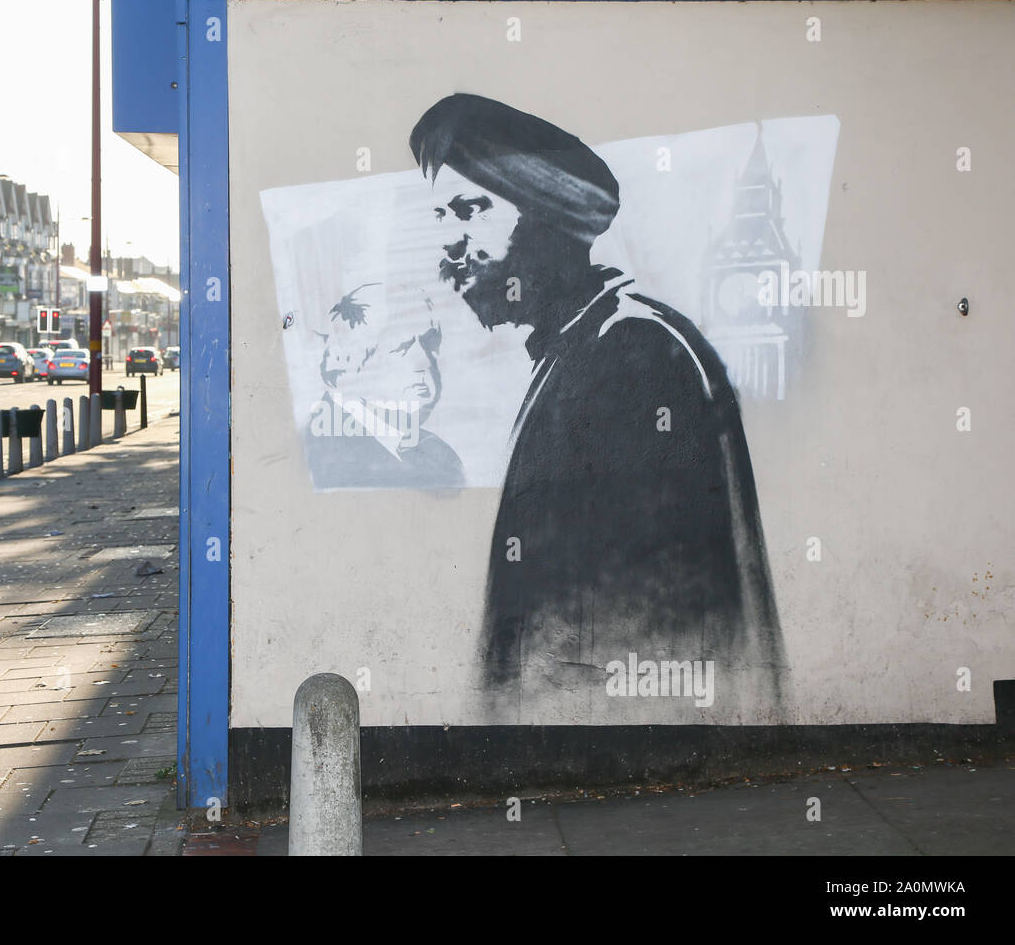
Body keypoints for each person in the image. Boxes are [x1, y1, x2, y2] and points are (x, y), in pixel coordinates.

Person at [410, 94, 786, 719]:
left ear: (548, 217)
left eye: (472, 210)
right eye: (441, 218)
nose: (449, 244)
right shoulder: (583, 346)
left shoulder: (629, 351)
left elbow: (647, 613)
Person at [303, 284, 463, 490]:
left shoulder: (437, 453)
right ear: (353, 361)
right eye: (402, 347)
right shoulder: (324, 457)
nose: (424, 362)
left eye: (428, 342)